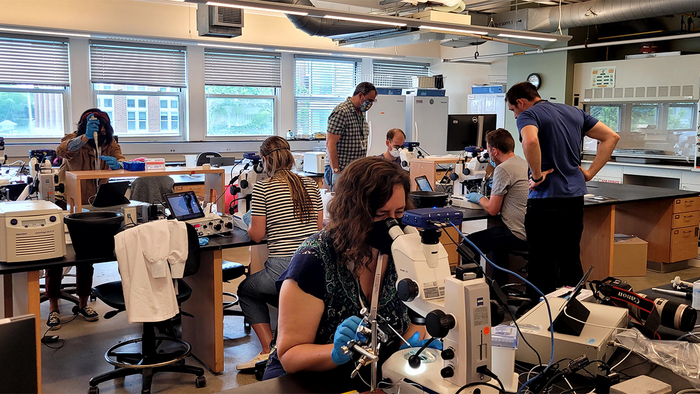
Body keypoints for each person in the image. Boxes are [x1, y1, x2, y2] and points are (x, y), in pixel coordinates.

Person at [264, 157, 437, 388]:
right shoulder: (314, 260)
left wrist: (414, 343)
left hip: (378, 370)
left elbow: (416, 318)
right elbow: (290, 356)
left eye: (399, 212)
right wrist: (335, 353)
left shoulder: (401, 253)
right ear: (353, 213)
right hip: (309, 377)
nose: (392, 225)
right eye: (381, 214)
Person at [506, 82, 619, 295]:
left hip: (546, 199)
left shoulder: (528, 115)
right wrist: (590, 172)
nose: (514, 115)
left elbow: (530, 142)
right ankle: (573, 310)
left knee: (542, 261)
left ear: (520, 102)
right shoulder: (575, 112)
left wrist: (537, 176)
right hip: (574, 198)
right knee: (570, 257)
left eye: (513, 109)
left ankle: (540, 315)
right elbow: (611, 137)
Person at [236, 136, 324, 370]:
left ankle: (268, 350)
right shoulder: (312, 185)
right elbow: (318, 230)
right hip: (313, 268)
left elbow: (256, 235)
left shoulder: (264, 187)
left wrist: (245, 222)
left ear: (264, 160)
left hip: (282, 269)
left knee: (247, 290)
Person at [48, 109, 125, 330]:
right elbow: (62, 151)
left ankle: (82, 303)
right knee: (58, 256)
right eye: (95, 128)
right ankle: (53, 306)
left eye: (103, 128)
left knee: (86, 256)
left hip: (93, 205)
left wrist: (117, 164)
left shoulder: (109, 143)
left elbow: (122, 159)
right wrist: (84, 138)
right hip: (68, 203)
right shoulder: (73, 139)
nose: (100, 132)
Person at [464, 128, 528, 285]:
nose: (489, 155)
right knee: (497, 246)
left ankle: (473, 290)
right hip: (531, 232)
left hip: (517, 233)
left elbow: (493, 209)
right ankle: (500, 291)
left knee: (467, 245)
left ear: (494, 150)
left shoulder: (503, 168)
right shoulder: (523, 163)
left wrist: (479, 198)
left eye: (488, 150)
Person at [324, 82, 377, 189]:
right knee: (341, 204)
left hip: (354, 170)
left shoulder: (360, 112)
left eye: (372, 101)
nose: (370, 104)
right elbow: (330, 144)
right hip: (341, 169)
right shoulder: (341, 112)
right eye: (369, 100)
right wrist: (336, 171)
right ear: (360, 95)